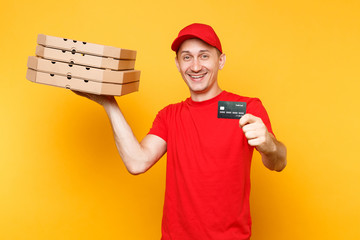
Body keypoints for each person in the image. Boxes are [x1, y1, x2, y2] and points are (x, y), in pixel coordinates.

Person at [74, 23, 287, 240]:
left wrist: (269, 146)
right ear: (177, 64)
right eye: (187, 57)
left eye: (204, 56)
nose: (195, 66)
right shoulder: (169, 116)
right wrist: (109, 104)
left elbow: (278, 162)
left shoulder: (247, 108)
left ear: (220, 60)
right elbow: (137, 163)